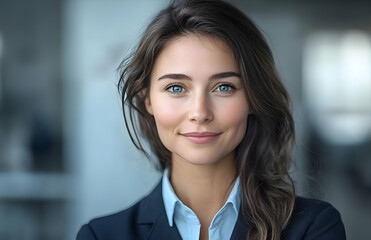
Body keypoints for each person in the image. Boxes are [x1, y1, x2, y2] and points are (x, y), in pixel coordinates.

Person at [77, 0, 346, 239]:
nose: (200, 112)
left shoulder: (313, 227)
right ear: (148, 100)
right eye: (176, 88)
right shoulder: (101, 235)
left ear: (253, 98)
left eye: (224, 87)